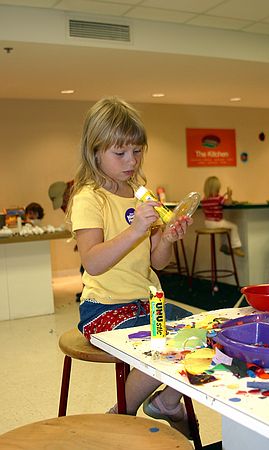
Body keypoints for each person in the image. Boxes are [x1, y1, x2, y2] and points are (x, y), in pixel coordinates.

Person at [67, 96, 194, 437]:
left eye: (137, 151)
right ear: (95, 152)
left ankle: (166, 402)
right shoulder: (88, 198)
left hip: (145, 302)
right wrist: (136, 228)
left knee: (202, 330)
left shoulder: (140, 192)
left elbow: (156, 260)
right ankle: (119, 413)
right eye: (119, 153)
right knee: (168, 341)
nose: (131, 160)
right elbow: (92, 262)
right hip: (103, 308)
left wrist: (166, 238)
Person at [201, 176, 245, 257]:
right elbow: (229, 203)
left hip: (208, 223)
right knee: (233, 227)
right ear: (215, 189)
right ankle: (236, 247)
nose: (218, 190)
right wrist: (229, 195)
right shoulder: (218, 198)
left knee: (225, 228)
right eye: (218, 189)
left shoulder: (204, 200)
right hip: (216, 222)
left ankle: (224, 245)